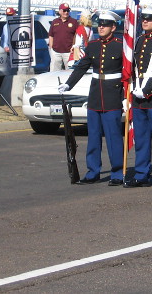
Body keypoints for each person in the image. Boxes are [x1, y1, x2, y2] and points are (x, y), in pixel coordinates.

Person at [58, 10, 125, 186]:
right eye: (99, 24)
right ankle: (93, 171)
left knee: (113, 137)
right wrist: (68, 84)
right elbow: (82, 67)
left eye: (105, 25)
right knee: (93, 136)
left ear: (113, 27)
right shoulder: (93, 45)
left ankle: (117, 172)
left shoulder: (121, 45)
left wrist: (126, 96)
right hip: (96, 95)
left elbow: (128, 73)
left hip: (112, 95)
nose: (101, 27)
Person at [124, 5, 152, 190]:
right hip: (138, 97)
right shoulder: (139, 41)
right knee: (141, 139)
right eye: (143, 18)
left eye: (149, 19)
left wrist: (148, 90)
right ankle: (141, 173)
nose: (145, 21)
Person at [48, 3, 78, 71]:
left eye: (68, 10)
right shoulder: (55, 22)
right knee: (54, 73)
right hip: (56, 52)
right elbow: (51, 35)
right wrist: (51, 47)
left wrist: (74, 47)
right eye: (64, 10)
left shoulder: (74, 22)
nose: (66, 12)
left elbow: (77, 36)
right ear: (60, 11)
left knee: (70, 72)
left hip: (69, 52)